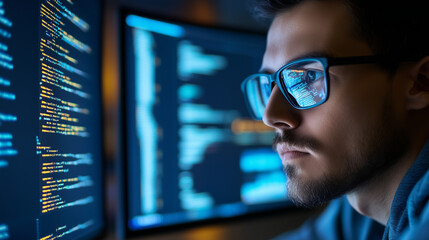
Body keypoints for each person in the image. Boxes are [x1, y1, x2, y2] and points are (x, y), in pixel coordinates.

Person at [241, 0, 429, 239]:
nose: (270, 116)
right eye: (270, 85)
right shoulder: (360, 214)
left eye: (309, 77)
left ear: (420, 82)